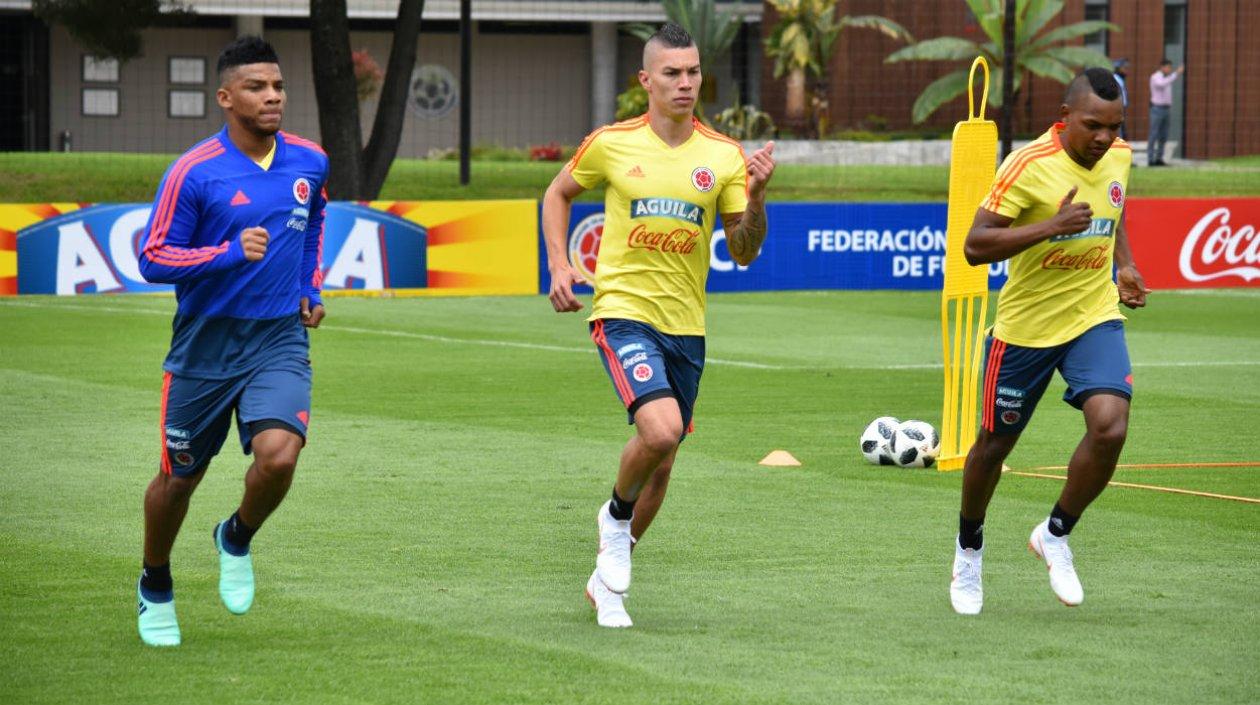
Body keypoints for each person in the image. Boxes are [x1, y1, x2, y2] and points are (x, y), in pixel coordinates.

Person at [542, 23, 775, 628]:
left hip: (686, 326)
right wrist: (560, 264)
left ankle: (606, 585)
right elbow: (557, 194)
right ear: (646, 80)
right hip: (623, 312)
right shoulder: (612, 143)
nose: (685, 82)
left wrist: (755, 197)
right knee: (662, 429)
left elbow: (744, 250)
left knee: (662, 459)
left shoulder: (723, 156)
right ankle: (615, 521)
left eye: (693, 71)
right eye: (672, 73)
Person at [135, 35, 329, 646]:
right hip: (204, 348)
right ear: (225, 98)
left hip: (278, 338)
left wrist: (309, 285)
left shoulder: (310, 161)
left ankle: (236, 536)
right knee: (178, 480)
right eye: (256, 87)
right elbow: (153, 257)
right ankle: (155, 582)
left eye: (278, 86)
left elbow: (313, 220)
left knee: (279, 456)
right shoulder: (193, 171)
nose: (273, 97)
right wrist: (225, 253)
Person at [948, 68, 1150, 615]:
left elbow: (1115, 207)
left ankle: (1055, 534)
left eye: (1115, 126)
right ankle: (968, 549)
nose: (1105, 137)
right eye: (1093, 125)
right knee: (994, 447)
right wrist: (1050, 227)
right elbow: (975, 245)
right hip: (1026, 330)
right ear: (1065, 117)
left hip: (1092, 316)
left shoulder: (1120, 156)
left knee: (1110, 427)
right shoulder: (1028, 165)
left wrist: (1125, 264)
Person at [1147, 59, 1184, 166]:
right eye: (1168, 67)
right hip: (1157, 108)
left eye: (1170, 68)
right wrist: (1176, 74)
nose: (1169, 70)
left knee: (1163, 135)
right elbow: (1162, 84)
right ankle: (1150, 159)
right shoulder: (1155, 77)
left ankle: (1159, 158)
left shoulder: (1167, 78)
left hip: (1166, 109)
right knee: (1154, 134)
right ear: (1162, 67)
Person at [1111, 58, 1128, 139]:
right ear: (1118, 69)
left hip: (1122, 107)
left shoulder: (1120, 79)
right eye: (1124, 68)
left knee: (1122, 129)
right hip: (1117, 107)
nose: (1126, 70)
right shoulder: (1115, 79)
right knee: (1119, 129)